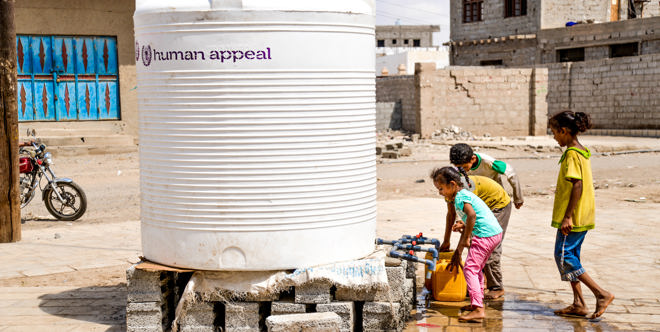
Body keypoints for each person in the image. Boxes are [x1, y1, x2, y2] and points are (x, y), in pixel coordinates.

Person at [549, 110, 614, 320]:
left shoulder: (572, 154)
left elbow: (577, 185)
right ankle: (578, 303)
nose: (554, 137)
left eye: (554, 132)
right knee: (570, 257)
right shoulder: (580, 150)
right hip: (583, 214)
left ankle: (601, 294)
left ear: (564, 131)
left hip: (574, 218)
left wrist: (567, 217)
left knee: (564, 256)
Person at [431, 166, 502, 322]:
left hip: (485, 235)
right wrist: (463, 226)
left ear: (453, 184)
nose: (440, 192)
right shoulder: (462, 195)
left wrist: (465, 239)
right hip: (493, 232)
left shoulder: (460, 198)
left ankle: (478, 309)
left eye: (441, 188)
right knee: (476, 268)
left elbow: (472, 215)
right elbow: (474, 216)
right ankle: (477, 302)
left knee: (469, 268)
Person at [449, 143, 524, 209]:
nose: (463, 171)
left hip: (495, 199)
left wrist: (518, 198)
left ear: (473, 159)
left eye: (465, 167)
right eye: (459, 167)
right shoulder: (459, 169)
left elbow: (511, 173)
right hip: (478, 200)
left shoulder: (487, 161)